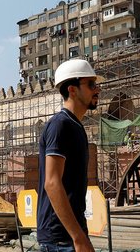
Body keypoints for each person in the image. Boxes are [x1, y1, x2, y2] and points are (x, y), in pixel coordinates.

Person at [37, 59, 102, 252]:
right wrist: (78, 237)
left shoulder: (75, 126)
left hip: (69, 236)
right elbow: (52, 182)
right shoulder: (60, 125)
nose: (97, 90)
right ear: (72, 89)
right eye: (91, 85)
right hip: (60, 239)